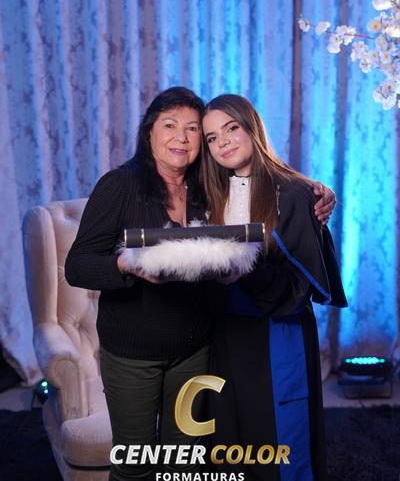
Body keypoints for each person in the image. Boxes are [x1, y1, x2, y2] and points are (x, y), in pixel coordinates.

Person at [65, 86, 336, 481]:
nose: (183, 137)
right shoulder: (122, 185)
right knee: (139, 463)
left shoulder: (207, 186)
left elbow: (267, 184)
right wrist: (127, 265)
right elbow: (78, 266)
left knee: (190, 460)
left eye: (194, 130)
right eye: (170, 125)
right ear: (149, 130)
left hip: (201, 349)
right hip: (139, 351)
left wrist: (320, 191)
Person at [201, 94, 347, 481]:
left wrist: (244, 270)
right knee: (231, 441)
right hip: (225, 337)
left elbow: (302, 286)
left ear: (252, 128)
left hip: (277, 335)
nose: (223, 142)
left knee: (283, 448)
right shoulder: (208, 196)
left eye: (231, 128)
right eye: (212, 138)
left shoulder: (294, 195)